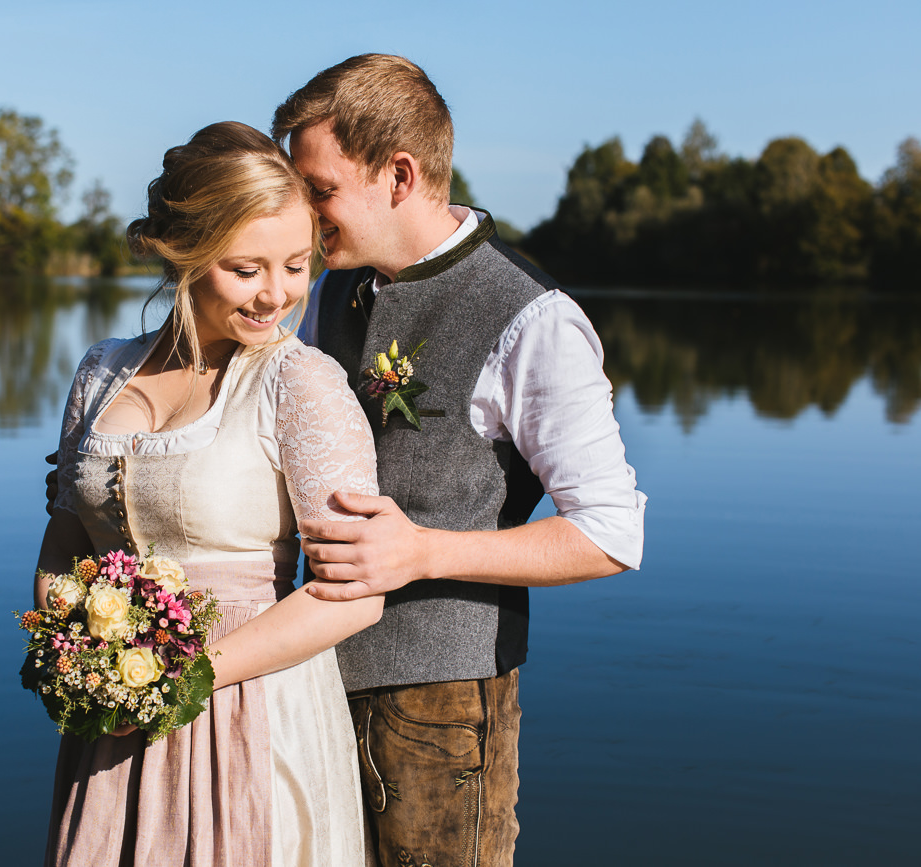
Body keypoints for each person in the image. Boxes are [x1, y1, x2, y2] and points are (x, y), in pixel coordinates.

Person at [267, 55, 647, 866]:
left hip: (443, 712)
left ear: (398, 175)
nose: (302, 213)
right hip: (311, 682)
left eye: (320, 189)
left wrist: (426, 550)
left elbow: (612, 532)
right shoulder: (334, 290)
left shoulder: (534, 318)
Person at [35, 121, 382, 867]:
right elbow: (65, 546)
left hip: (253, 711)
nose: (277, 295)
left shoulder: (300, 383)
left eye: (296, 265)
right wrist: (73, 660)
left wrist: (187, 679)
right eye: (246, 268)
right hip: (114, 729)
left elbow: (355, 594)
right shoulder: (102, 373)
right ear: (183, 253)